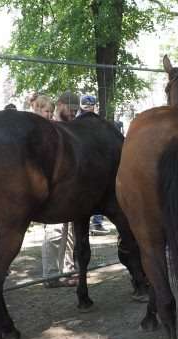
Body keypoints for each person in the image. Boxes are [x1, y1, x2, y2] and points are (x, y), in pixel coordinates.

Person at [39, 92, 79, 288]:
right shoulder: (49, 129)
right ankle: (51, 276)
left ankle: (67, 270)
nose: (73, 113)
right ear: (61, 105)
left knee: (68, 231)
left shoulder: (68, 128)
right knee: (54, 231)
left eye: (75, 110)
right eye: (70, 109)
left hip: (68, 188)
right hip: (53, 188)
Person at [77, 94, 110, 235]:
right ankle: (95, 223)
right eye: (87, 107)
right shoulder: (78, 123)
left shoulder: (99, 123)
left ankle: (97, 223)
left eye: (91, 106)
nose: (89, 109)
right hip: (84, 166)